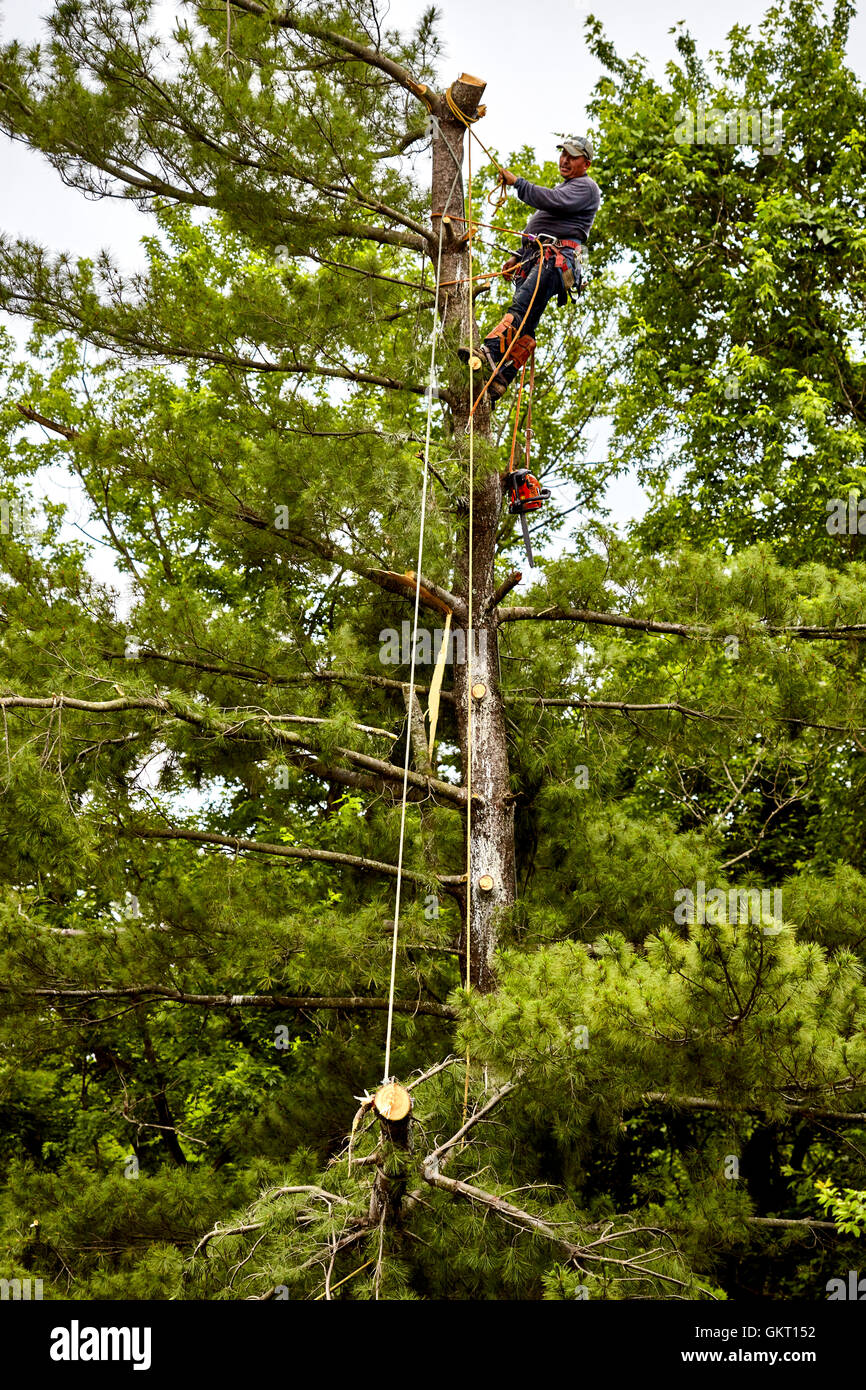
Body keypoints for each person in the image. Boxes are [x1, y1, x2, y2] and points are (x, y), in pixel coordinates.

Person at [475, 137, 600, 403]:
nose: (565, 160)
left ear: (586, 163)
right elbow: (547, 225)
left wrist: (518, 183)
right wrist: (519, 257)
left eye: (572, 156)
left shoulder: (586, 187)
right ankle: (501, 378)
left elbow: (553, 201)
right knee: (527, 321)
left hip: (557, 259)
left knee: (521, 306)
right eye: (563, 154)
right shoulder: (568, 187)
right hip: (541, 256)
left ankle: (491, 352)